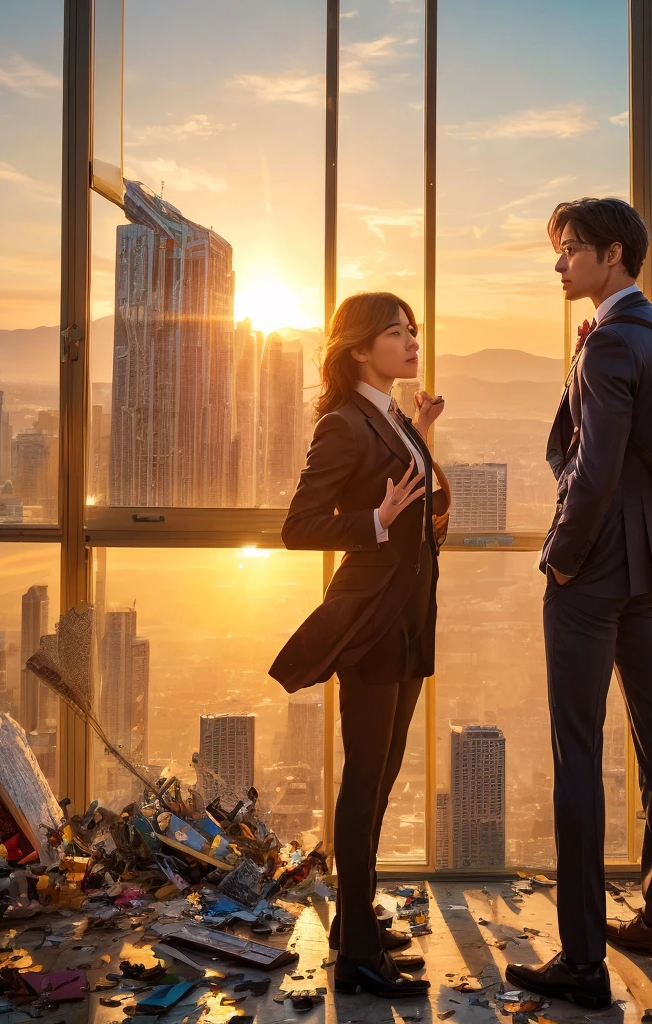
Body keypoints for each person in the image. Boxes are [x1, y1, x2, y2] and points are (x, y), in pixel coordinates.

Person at [506, 198, 652, 1008]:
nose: (559, 264)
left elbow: (596, 467)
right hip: (651, 564)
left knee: (578, 754)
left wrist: (563, 559)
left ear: (611, 255)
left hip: (597, 570)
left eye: (570, 249)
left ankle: (581, 962)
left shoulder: (613, 340)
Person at [268, 291, 449, 998]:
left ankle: (356, 928)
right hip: (372, 616)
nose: (411, 342)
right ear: (358, 349)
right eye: (397, 333)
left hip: (410, 614)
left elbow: (420, 509)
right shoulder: (344, 425)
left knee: (384, 776)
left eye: (413, 331)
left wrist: (423, 442)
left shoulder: (394, 417)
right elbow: (299, 525)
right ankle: (358, 959)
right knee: (364, 780)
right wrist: (371, 521)